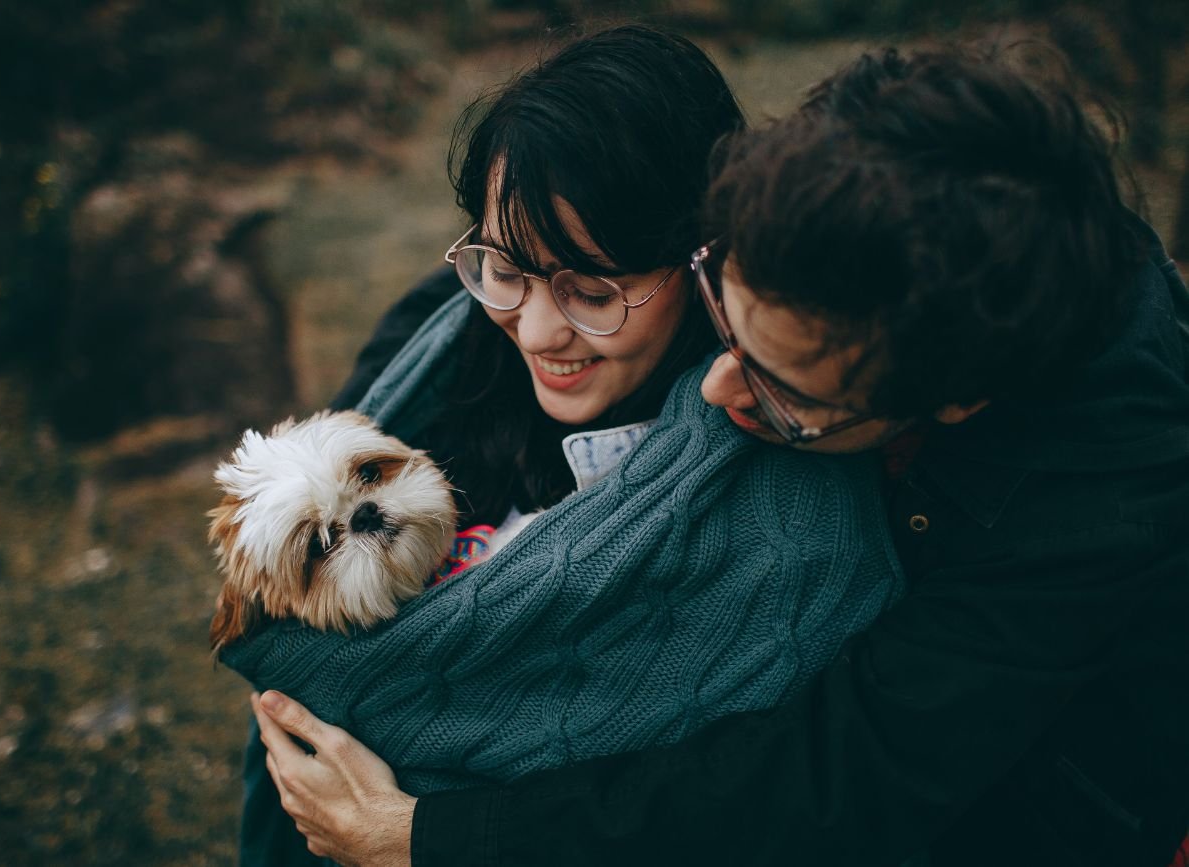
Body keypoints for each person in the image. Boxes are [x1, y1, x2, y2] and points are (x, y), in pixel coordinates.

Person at [249, 42, 1189, 867]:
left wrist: (435, 838)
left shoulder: (1091, 505)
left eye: (788, 391)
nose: (716, 391)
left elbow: (844, 772)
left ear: (948, 404)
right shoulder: (834, 196)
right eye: (725, 325)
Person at [228, 25, 905, 866]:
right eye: (506, 267)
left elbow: (773, 796)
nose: (539, 330)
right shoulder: (435, 340)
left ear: (702, 257)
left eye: (592, 289)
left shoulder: (792, 497)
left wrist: (418, 834)